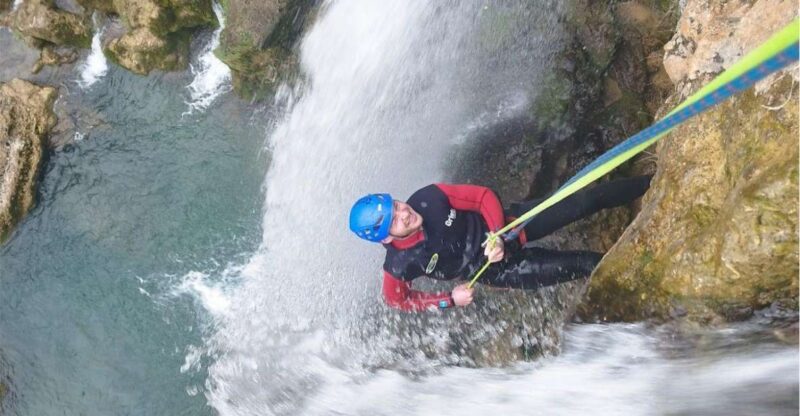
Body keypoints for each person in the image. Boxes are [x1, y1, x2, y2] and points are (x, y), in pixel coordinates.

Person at [348, 176, 652, 312]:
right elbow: (397, 301)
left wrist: (496, 233)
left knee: (586, 199)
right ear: (386, 238)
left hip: (511, 225)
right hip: (502, 272)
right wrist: (449, 299)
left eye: (397, 205)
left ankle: (653, 181)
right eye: (395, 219)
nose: (405, 213)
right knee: (588, 264)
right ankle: (649, 273)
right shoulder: (399, 266)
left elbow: (481, 196)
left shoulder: (430, 199)